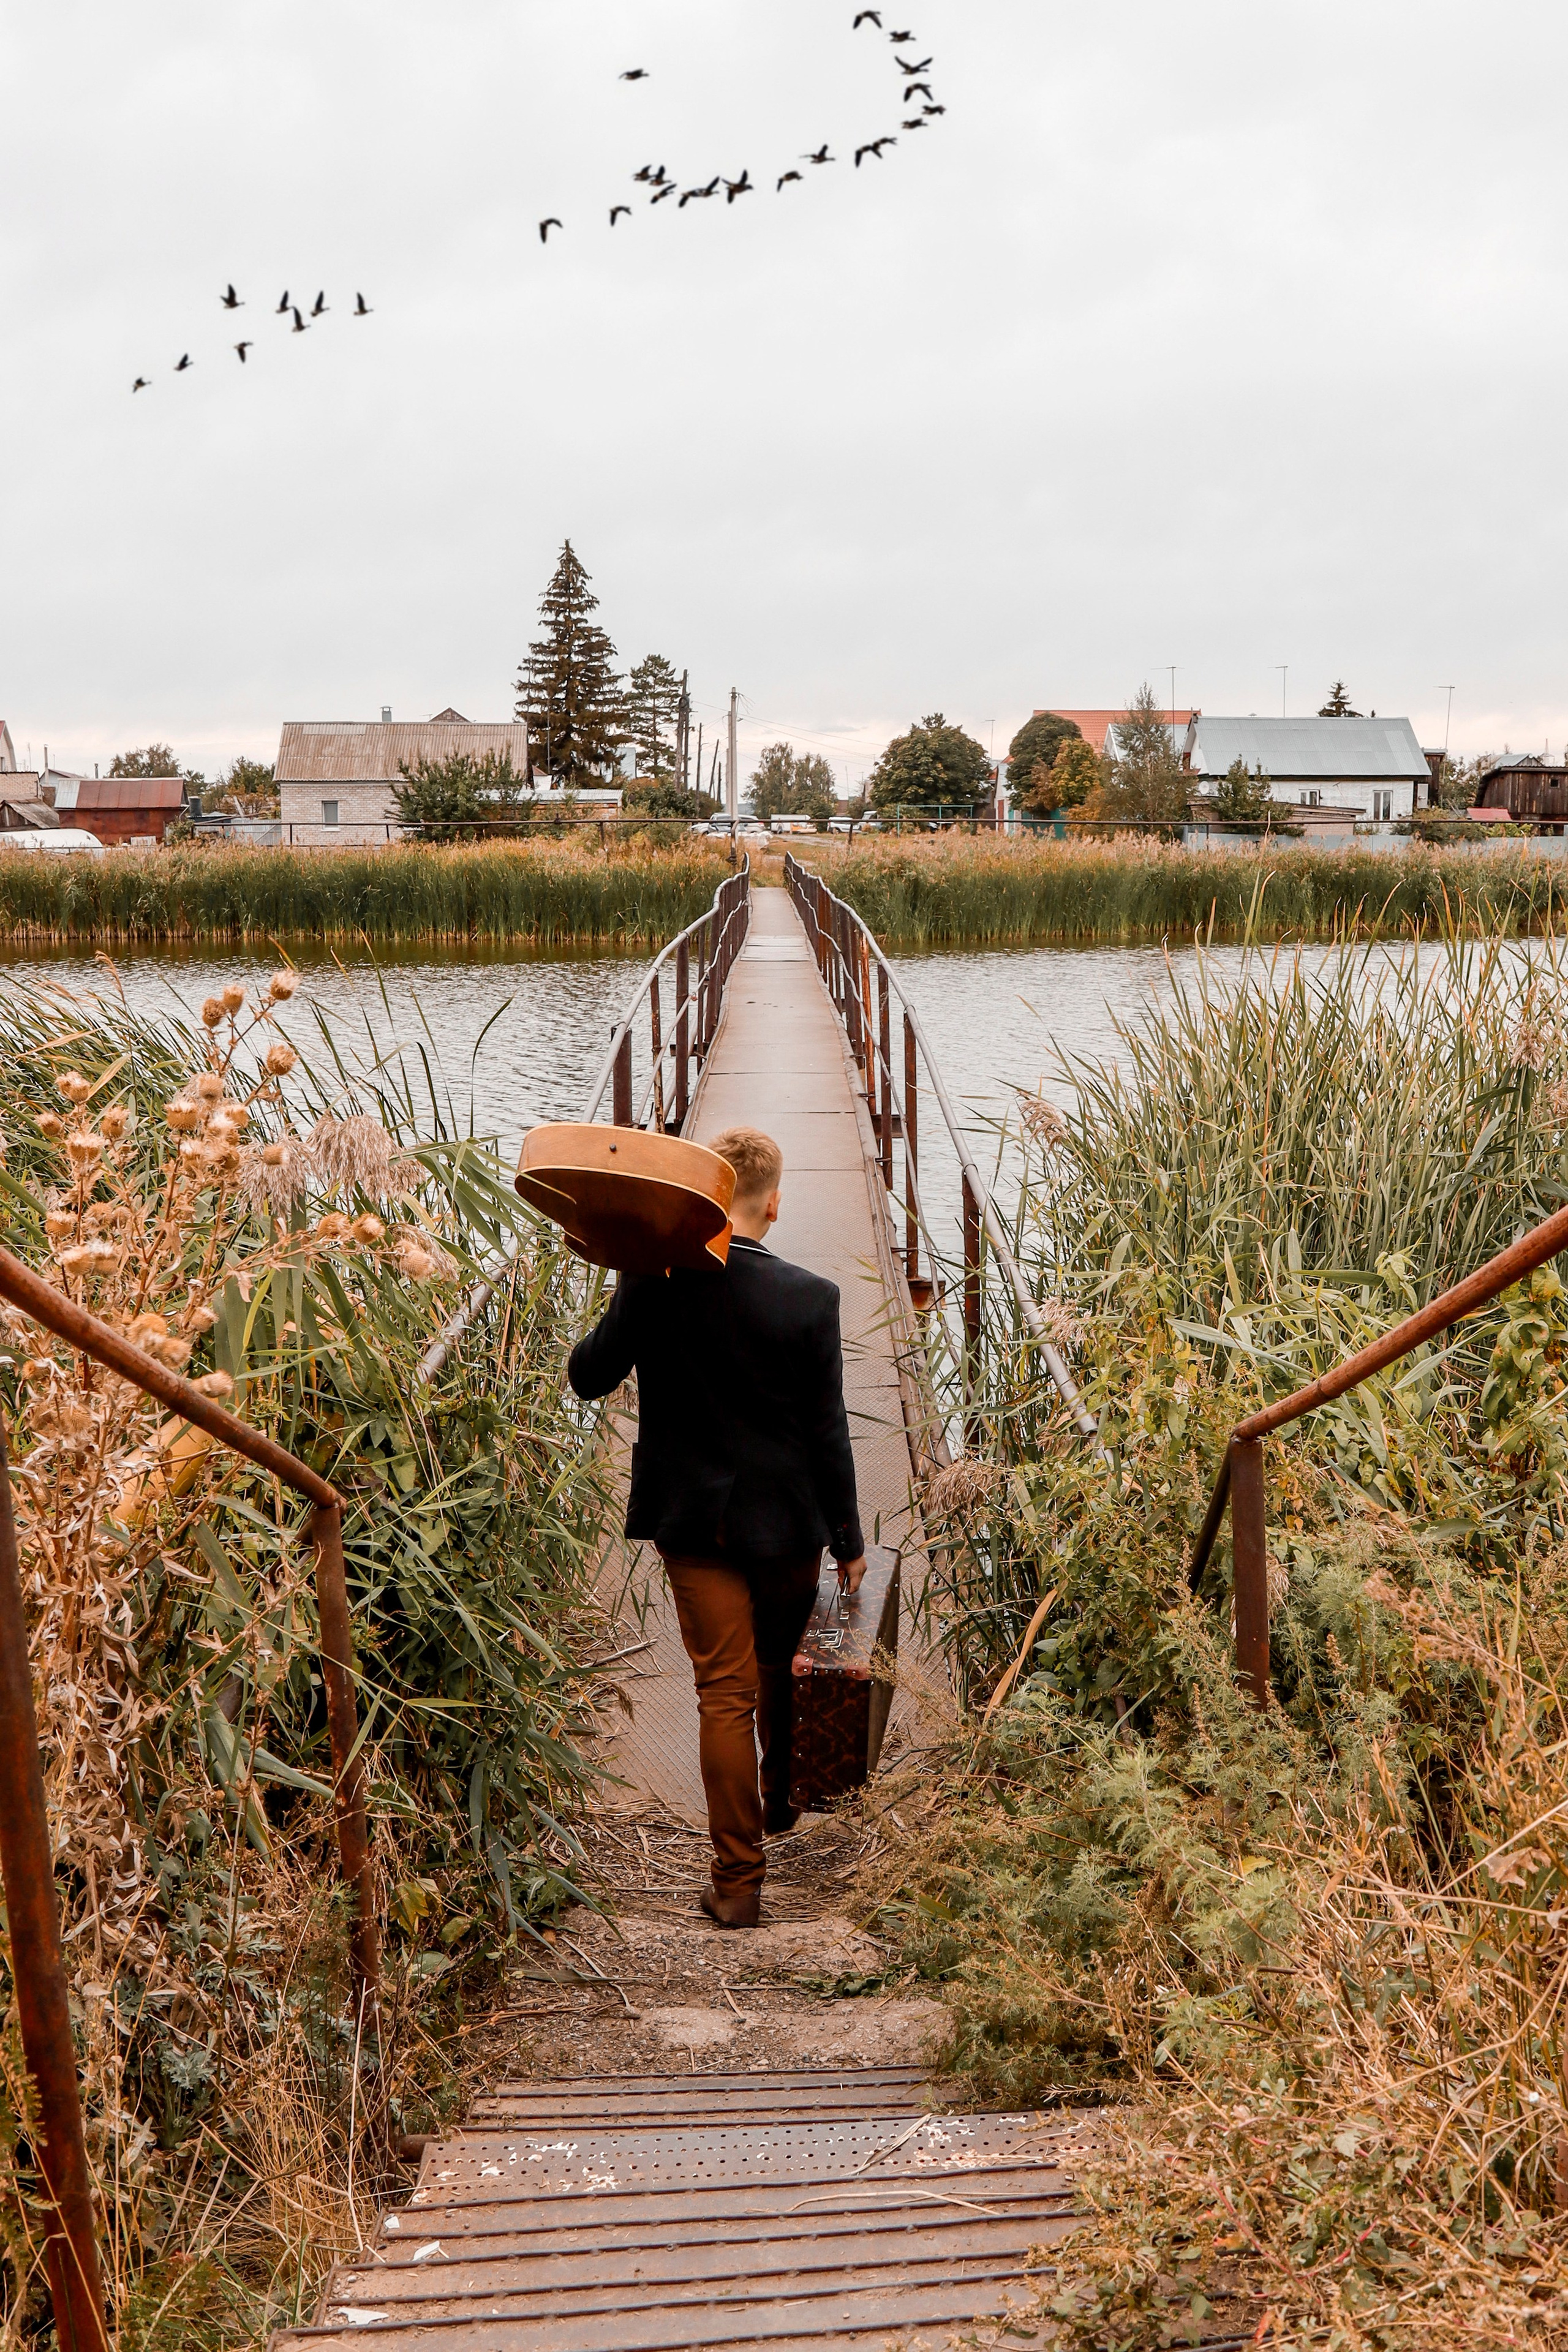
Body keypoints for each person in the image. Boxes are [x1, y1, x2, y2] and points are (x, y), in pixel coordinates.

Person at [568, 1124, 865, 1929]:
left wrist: (631, 1274)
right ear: (775, 1204)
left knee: (724, 1694)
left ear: (700, 1196)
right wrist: (848, 1540)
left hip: (694, 1522)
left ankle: (737, 1884)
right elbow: (829, 1431)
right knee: (778, 1666)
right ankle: (779, 1793)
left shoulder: (656, 1280)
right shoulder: (811, 1298)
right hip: (790, 1523)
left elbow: (588, 1378)